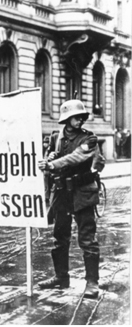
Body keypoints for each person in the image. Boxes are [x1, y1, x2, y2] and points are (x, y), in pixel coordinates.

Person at [37, 100, 102, 299]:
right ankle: (60, 277)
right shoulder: (56, 137)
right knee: (60, 237)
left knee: (87, 239)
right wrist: (46, 161)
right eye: (76, 117)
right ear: (66, 118)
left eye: (82, 117)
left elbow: (75, 158)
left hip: (82, 193)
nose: (80, 120)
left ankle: (92, 282)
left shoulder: (89, 139)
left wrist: (52, 165)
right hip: (62, 193)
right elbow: (50, 158)